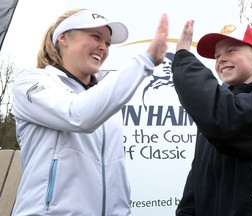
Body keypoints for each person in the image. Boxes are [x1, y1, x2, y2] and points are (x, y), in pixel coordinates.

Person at [11, 9, 168, 216]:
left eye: (108, 43)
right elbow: (78, 115)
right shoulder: (31, 81)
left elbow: (115, 173)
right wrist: (144, 61)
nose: (103, 47)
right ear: (63, 38)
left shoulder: (102, 98)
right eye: (96, 37)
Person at [172, 20, 252, 215]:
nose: (221, 59)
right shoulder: (221, 105)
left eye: (231, 50)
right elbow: (199, 174)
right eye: (217, 55)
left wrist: (184, 59)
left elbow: (226, 120)